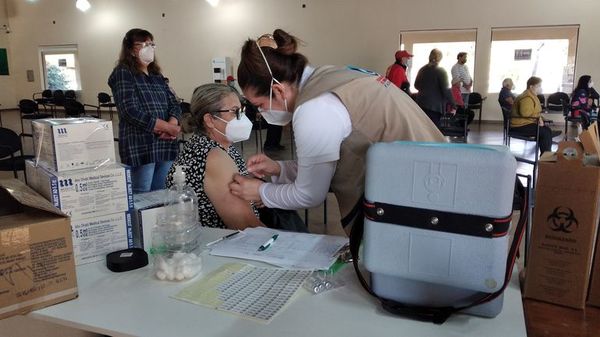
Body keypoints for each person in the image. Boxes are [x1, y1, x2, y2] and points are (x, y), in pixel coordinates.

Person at [228, 29, 445, 234]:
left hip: (418, 201)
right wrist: (278, 169)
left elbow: (309, 194)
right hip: (437, 179)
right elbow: (325, 166)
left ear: (277, 90)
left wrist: (260, 192)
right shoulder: (329, 76)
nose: (261, 112)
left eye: (259, 105)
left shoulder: (315, 108)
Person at [165, 83, 263, 229]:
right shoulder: (213, 156)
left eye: (241, 111)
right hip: (223, 244)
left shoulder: (219, 146)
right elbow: (245, 224)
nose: (241, 118)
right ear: (210, 120)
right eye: (234, 112)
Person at [108, 28, 181, 193]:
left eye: (151, 44)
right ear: (131, 50)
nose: (149, 48)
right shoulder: (122, 73)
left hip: (165, 144)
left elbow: (174, 103)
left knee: (161, 193)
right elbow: (129, 110)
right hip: (140, 145)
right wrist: (167, 128)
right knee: (141, 194)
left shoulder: (157, 75)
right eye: (143, 44)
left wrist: (172, 123)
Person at [510, 76, 555, 154]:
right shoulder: (527, 97)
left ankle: (546, 155)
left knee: (546, 131)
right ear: (531, 86)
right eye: (539, 86)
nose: (541, 88)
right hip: (518, 126)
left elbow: (533, 112)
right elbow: (526, 113)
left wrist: (542, 118)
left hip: (524, 124)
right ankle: (546, 158)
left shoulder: (531, 95)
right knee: (545, 132)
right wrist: (539, 119)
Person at [414, 48, 456, 127]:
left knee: (423, 129)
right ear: (440, 58)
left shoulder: (422, 70)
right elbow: (446, 90)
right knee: (433, 131)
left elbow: (416, 85)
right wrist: (454, 105)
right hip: (435, 106)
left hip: (421, 104)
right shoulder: (441, 71)